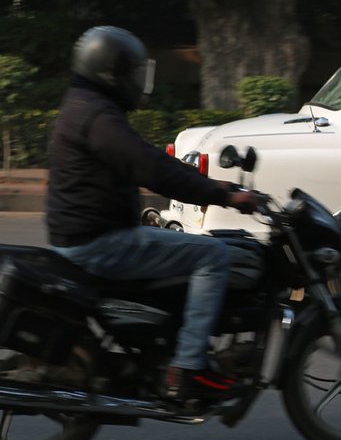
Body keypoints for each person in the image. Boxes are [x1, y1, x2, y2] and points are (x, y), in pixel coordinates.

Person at [46, 25, 260, 405]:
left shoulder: (85, 105)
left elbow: (145, 160)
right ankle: (188, 368)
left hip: (85, 236)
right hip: (100, 243)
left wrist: (209, 187)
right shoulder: (97, 116)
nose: (136, 82)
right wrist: (223, 195)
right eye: (131, 72)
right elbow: (150, 168)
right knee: (212, 255)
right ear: (110, 72)